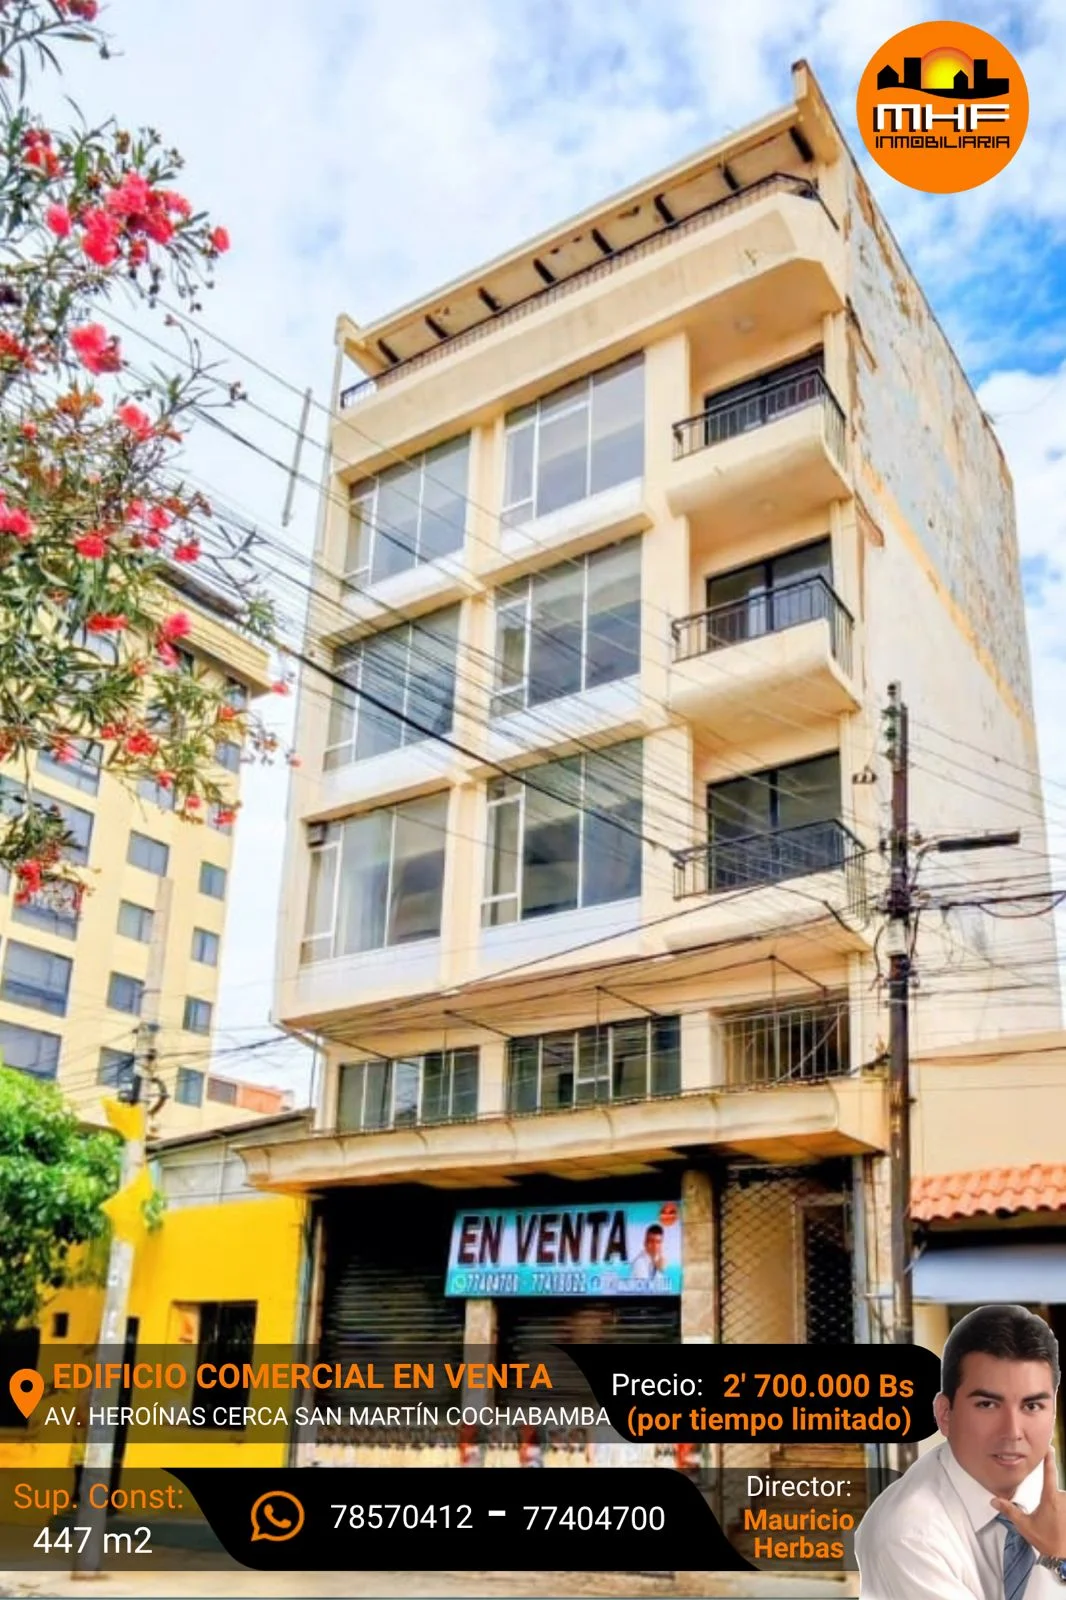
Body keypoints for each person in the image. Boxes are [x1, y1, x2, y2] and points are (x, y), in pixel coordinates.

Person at [855, 1304, 1066, 1597]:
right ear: (945, 1414)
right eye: (987, 1405)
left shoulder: (1045, 1492)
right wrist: (1057, 1561)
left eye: (1032, 1406)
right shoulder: (908, 1532)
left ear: (1052, 1413)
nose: (1013, 1431)